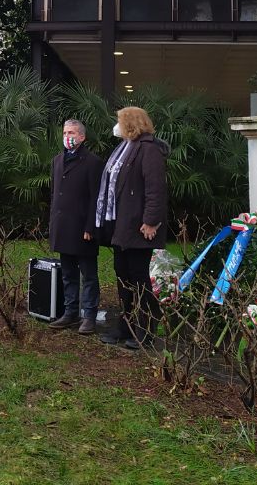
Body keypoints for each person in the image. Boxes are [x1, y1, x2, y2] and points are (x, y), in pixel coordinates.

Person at [94, 106, 168, 351]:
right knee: (122, 275)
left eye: (119, 121)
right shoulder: (124, 148)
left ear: (130, 123)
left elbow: (155, 189)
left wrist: (150, 221)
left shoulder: (149, 149)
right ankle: (125, 326)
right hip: (121, 225)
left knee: (138, 278)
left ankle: (145, 330)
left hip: (139, 226)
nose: (116, 126)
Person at [46, 119, 104, 335]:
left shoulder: (93, 162)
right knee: (68, 273)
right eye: (64, 131)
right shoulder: (57, 160)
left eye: (71, 132)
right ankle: (70, 312)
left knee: (88, 274)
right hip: (63, 227)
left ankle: (89, 315)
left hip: (83, 229)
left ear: (82, 137)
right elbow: (55, 194)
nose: (67, 135)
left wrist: (91, 226)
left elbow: (96, 197)